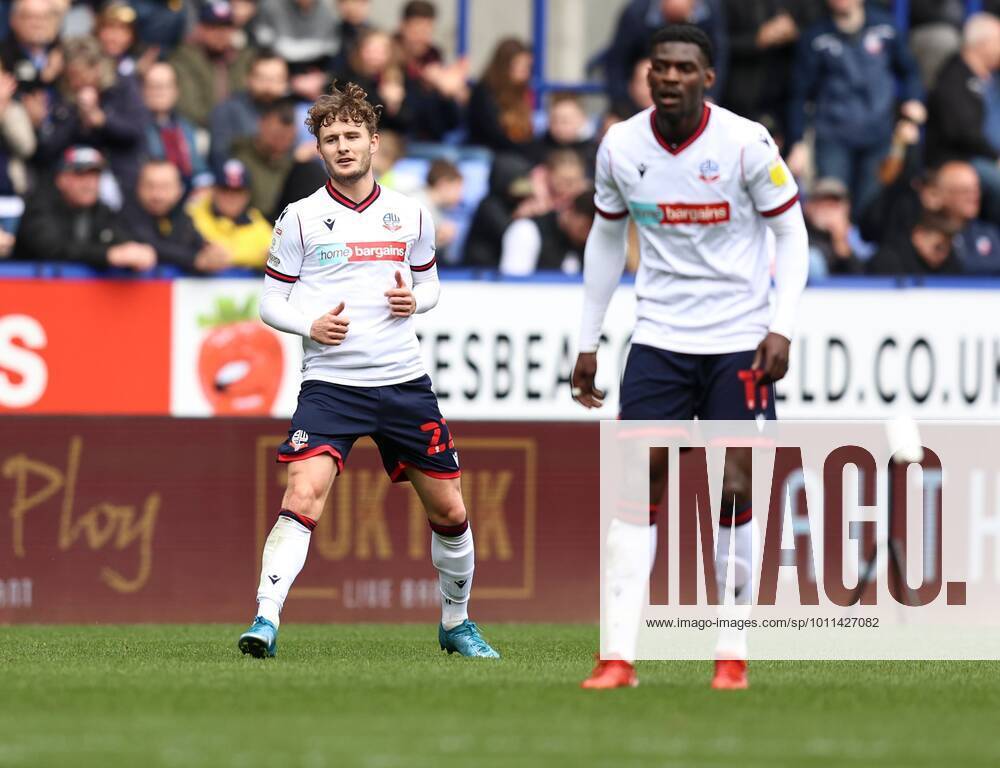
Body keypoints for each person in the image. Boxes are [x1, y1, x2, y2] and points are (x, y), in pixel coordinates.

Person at [571, 25, 807, 691]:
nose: (669, 77)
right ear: (647, 76)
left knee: (734, 486)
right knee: (638, 485)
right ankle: (617, 657)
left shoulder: (746, 144)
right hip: (660, 341)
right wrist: (588, 340)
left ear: (708, 77)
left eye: (683, 67)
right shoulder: (620, 145)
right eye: (659, 67)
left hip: (739, 340)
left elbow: (792, 236)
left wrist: (781, 326)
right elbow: (605, 240)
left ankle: (730, 655)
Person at [238, 81, 499, 660]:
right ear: (319, 149)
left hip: (402, 381)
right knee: (302, 495)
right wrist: (309, 327)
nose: (343, 147)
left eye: (353, 135)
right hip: (331, 385)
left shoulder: (409, 213)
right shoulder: (299, 218)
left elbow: (429, 287)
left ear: (374, 142)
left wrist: (415, 303)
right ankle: (265, 619)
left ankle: (456, 624)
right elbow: (269, 303)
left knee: (451, 510)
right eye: (331, 139)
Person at [787, 0, 925, 218]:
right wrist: (797, 141)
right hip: (833, 136)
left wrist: (913, 102)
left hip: (879, 134)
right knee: (831, 207)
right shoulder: (816, 36)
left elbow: (910, 71)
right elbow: (799, 93)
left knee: (871, 209)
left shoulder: (885, 26)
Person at [34, 34, 147, 197]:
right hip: (70, 182)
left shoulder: (122, 86)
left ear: (97, 67)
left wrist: (102, 120)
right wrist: (77, 116)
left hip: (118, 176)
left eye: (82, 73)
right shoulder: (61, 96)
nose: (77, 82)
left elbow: (136, 131)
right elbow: (47, 149)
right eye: (72, 76)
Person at [13, 144, 155, 269]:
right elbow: (52, 248)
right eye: (80, 175)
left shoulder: (102, 210)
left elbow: (121, 240)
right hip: (28, 294)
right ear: (61, 179)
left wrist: (135, 251)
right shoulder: (40, 205)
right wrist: (107, 255)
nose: (89, 183)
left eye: (95, 175)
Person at [925, 14, 1000, 224]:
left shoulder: (992, 80)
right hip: (963, 159)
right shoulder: (953, 77)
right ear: (982, 43)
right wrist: (996, 157)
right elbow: (961, 132)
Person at [604, 0, 728, 108]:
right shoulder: (636, 12)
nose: (671, 77)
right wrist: (623, 105)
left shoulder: (710, 10)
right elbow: (616, 63)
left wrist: (710, 96)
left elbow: (719, 58)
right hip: (637, 98)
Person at [123, 159, 230, 273]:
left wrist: (211, 251)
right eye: (150, 186)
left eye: (165, 187)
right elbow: (151, 245)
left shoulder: (181, 215)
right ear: (138, 187)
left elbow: (196, 242)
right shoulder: (127, 214)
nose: (157, 195)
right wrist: (194, 259)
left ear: (179, 190)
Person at [169, 2, 256, 129]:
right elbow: (189, 108)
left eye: (226, 27)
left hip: (239, 129)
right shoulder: (184, 59)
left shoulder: (245, 58)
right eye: (213, 27)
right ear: (200, 28)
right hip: (199, 128)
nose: (220, 33)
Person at [208, 49, 289, 167]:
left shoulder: (291, 111)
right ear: (248, 79)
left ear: (286, 83)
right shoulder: (228, 110)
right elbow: (219, 155)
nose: (268, 86)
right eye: (262, 78)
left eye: (275, 79)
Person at [188, 158, 273, 269]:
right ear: (213, 190)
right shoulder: (194, 213)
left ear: (247, 195)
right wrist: (256, 257)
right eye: (225, 189)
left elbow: (274, 254)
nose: (231, 197)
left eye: (238, 191)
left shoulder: (255, 219)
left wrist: (231, 256)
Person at [142, 61, 212, 191]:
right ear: (142, 90)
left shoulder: (186, 127)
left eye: (164, 86)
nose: (158, 92)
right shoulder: (134, 129)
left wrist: (203, 187)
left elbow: (200, 170)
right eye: (152, 86)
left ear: (175, 91)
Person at [500, 187, 595, 275]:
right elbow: (513, 286)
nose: (587, 236)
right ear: (570, 211)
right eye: (584, 228)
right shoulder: (526, 231)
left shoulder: (587, 246)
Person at [466, 37, 536, 158]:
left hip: (513, 152)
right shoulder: (484, 92)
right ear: (505, 65)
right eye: (520, 66)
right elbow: (494, 134)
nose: (526, 72)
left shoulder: (523, 93)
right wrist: (527, 149)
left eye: (528, 67)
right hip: (491, 153)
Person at [229, 97, 297, 218]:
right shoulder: (239, 157)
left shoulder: (292, 164)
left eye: (287, 138)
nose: (281, 142)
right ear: (262, 123)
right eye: (276, 135)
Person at [867, 210, 962, 275]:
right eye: (938, 247)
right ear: (919, 235)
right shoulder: (887, 263)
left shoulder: (951, 265)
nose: (944, 254)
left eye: (949, 247)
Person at [254, 0, 339, 65]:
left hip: (315, 69)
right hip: (276, 65)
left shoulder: (328, 11)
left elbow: (331, 50)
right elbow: (263, 42)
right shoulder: (271, 6)